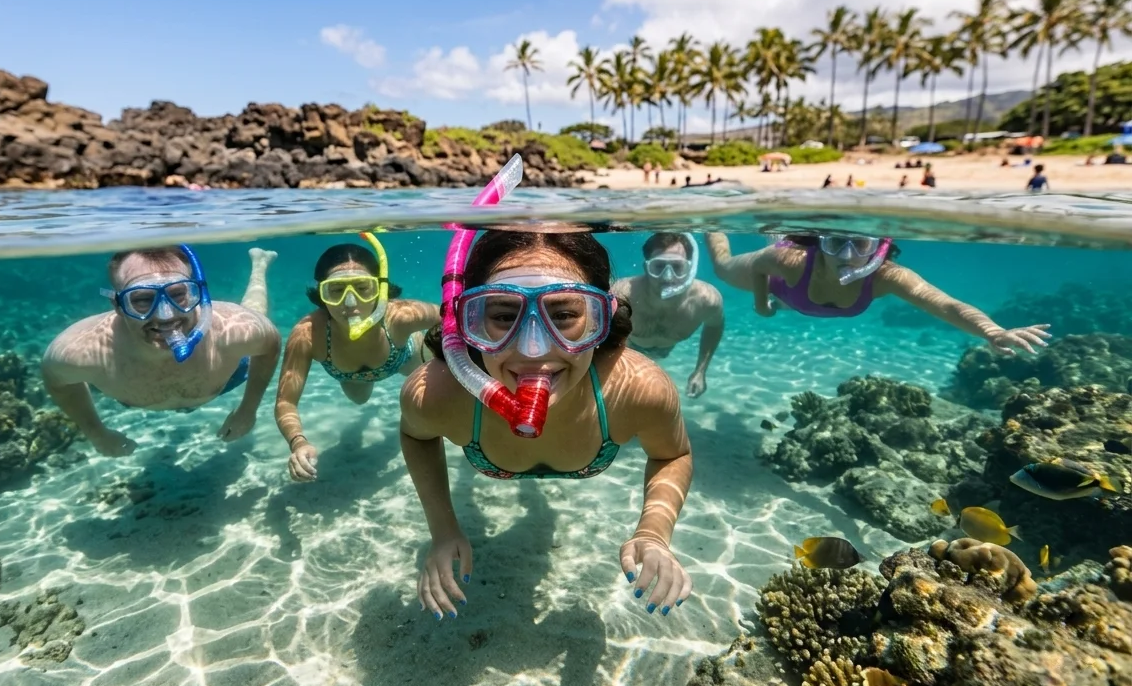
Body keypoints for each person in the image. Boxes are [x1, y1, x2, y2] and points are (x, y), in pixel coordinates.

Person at [400, 228, 694, 621]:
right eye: (504, 315)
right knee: (424, 355)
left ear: (600, 318)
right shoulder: (437, 395)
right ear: (468, 320)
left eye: (565, 315)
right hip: (456, 366)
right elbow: (416, 435)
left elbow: (672, 454)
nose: (533, 350)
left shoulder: (639, 390)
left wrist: (654, 532)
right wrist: (443, 530)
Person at [42, 246, 282, 456]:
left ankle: (259, 265)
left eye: (178, 294)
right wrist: (96, 432)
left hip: (228, 377)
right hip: (138, 397)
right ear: (117, 305)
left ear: (196, 292)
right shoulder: (80, 350)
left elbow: (269, 344)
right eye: (143, 299)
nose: (166, 315)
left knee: (255, 316)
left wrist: (247, 410)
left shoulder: (236, 330)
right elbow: (57, 381)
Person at [706, 232, 1050, 355]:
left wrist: (991, 331)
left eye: (861, 244)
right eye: (836, 242)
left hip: (795, 294)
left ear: (880, 246)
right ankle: (711, 222)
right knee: (722, 267)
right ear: (820, 242)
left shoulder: (886, 277)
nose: (847, 255)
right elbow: (761, 266)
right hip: (782, 285)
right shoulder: (790, 259)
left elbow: (944, 304)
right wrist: (761, 302)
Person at [275, 233, 439, 482]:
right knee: (360, 400)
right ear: (322, 295)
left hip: (405, 358)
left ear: (380, 289)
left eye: (363, 288)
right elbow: (286, 402)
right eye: (336, 291)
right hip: (354, 378)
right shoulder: (308, 335)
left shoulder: (401, 316)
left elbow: (455, 318)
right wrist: (298, 443)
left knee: (427, 393)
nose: (350, 303)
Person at [611, 232, 723, 397]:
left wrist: (700, 371)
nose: (668, 277)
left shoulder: (707, 300)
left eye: (677, 267)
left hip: (666, 350)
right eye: (659, 266)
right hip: (630, 349)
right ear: (646, 267)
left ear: (690, 268)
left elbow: (714, 326)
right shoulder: (622, 294)